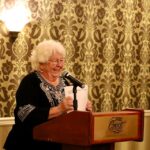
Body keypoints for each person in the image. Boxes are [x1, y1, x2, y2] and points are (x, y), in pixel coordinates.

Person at [4, 39, 92, 150]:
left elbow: (71, 114)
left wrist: (83, 107)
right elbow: (24, 113)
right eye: (55, 61)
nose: (60, 65)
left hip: (60, 143)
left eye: (61, 60)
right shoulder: (30, 82)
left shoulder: (66, 82)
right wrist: (59, 109)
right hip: (28, 144)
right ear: (41, 64)